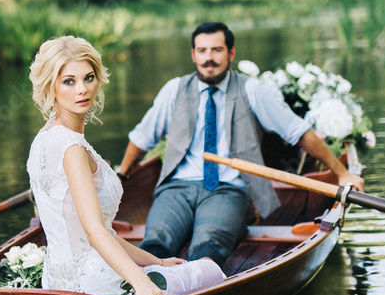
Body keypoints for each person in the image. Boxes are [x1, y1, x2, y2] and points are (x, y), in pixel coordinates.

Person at [117, 22, 365, 266]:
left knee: (208, 246)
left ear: (231, 53)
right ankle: (145, 290)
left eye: (217, 50)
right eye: (202, 51)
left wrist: (341, 173)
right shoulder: (174, 89)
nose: (209, 58)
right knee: (155, 244)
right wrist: (122, 178)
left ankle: (197, 290)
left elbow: (298, 132)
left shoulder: (253, 89)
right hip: (176, 188)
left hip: (227, 188)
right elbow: (141, 138)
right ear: (193, 55)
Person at [27, 36, 226, 295]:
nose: (82, 89)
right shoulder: (72, 149)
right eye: (68, 81)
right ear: (51, 86)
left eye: (89, 78)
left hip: (57, 284)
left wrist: (156, 262)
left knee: (179, 267)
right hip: (98, 287)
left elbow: (93, 234)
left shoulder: (43, 139)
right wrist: (142, 284)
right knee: (212, 269)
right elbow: (96, 233)